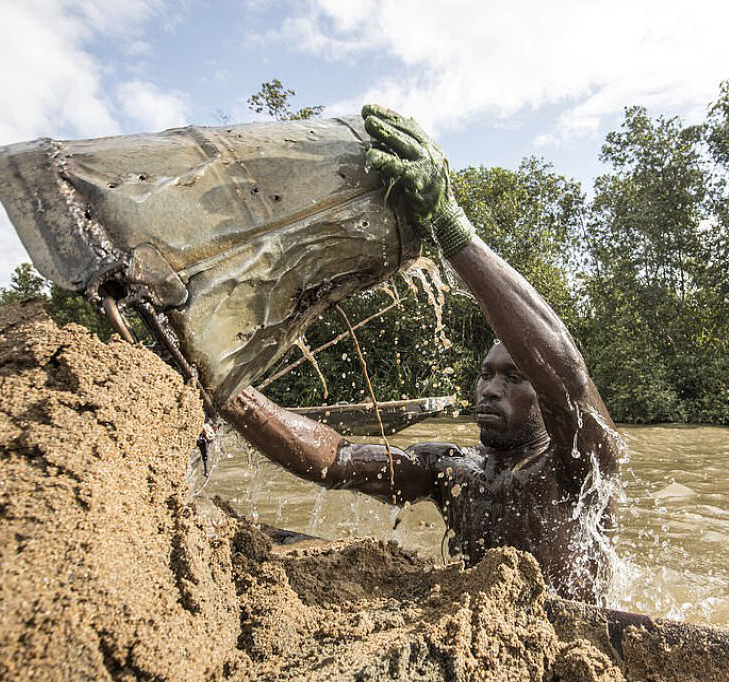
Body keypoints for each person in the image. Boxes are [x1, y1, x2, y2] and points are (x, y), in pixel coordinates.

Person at [221, 104, 622, 604]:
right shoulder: (455, 472)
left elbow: (565, 374)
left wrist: (452, 228)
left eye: (514, 378)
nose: (491, 388)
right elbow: (338, 457)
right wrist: (233, 394)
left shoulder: (579, 467)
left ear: (543, 398)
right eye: (486, 375)